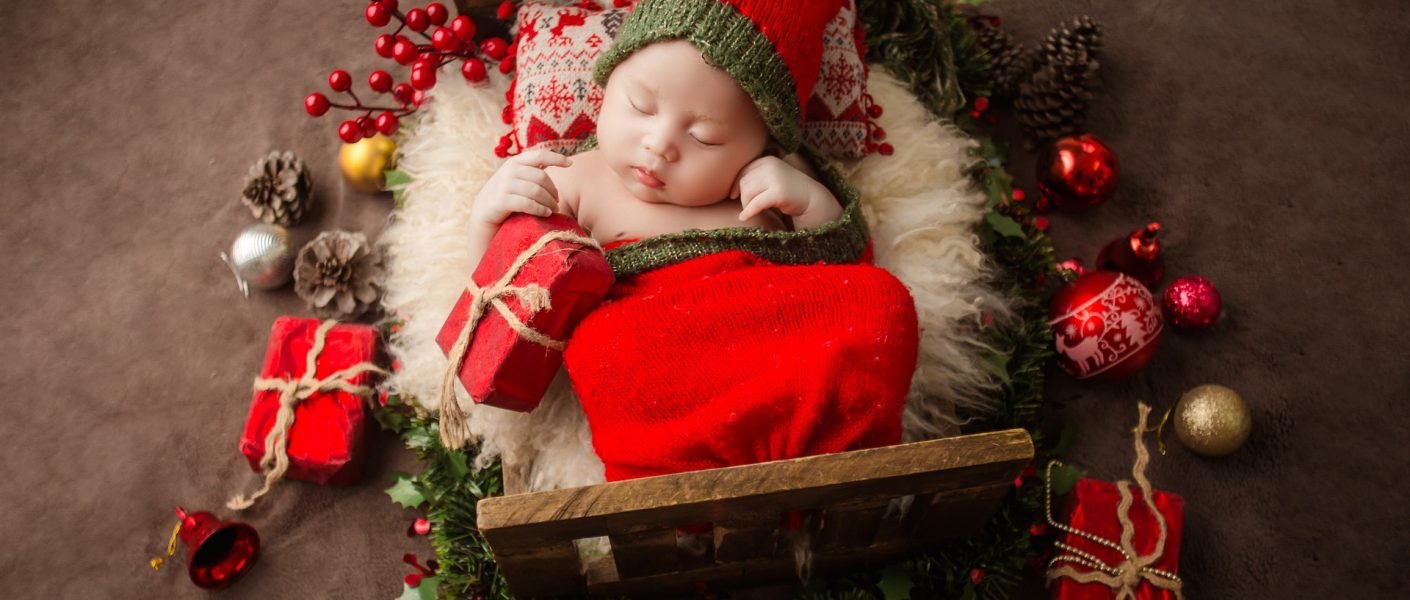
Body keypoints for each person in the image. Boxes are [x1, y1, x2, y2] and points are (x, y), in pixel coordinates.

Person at [465, 0, 919, 484]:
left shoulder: (770, 179)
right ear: (607, 83)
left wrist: (809, 203)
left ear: (764, 144)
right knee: (602, 344)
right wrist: (486, 220)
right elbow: (508, 294)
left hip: (778, 336)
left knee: (883, 299)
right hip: (661, 352)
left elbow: (847, 257)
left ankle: (832, 450)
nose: (660, 144)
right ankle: (676, 467)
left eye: (705, 137)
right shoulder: (573, 177)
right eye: (640, 106)